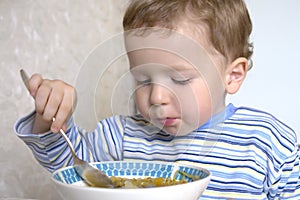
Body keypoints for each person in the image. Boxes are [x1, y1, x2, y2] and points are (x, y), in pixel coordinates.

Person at [15, 0, 300, 199]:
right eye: (142, 79)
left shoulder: (269, 144)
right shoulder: (122, 137)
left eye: (179, 79)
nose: (157, 97)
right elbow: (70, 167)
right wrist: (49, 116)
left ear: (232, 75)